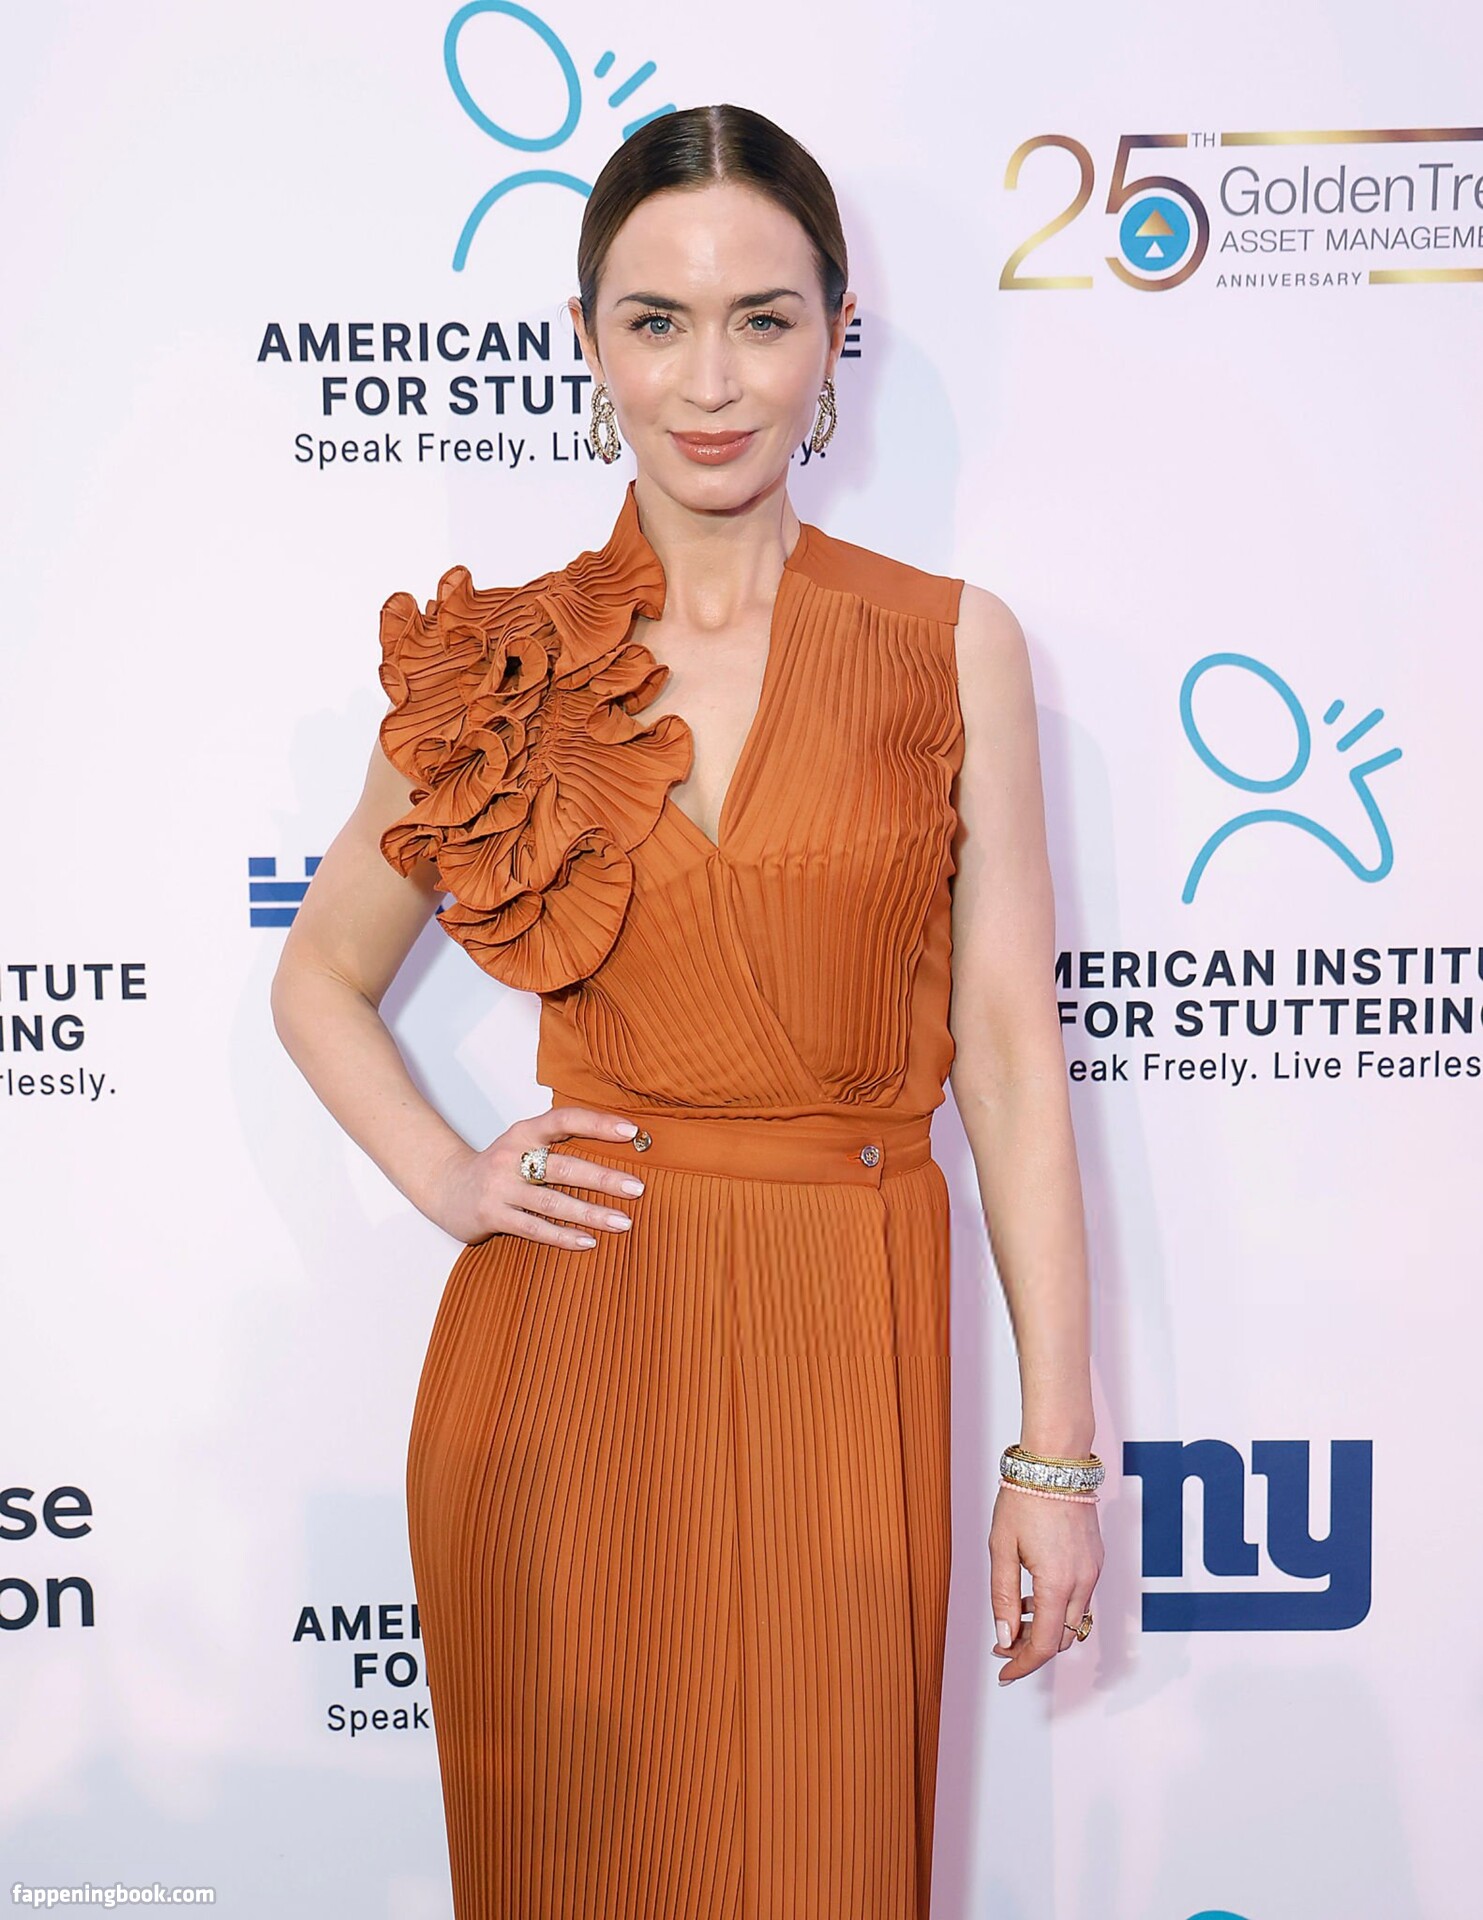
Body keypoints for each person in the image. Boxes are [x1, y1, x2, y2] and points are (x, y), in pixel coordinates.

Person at [272, 101, 1103, 1920]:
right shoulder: (504, 665)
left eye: (761, 319)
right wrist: (448, 1176)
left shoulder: (949, 644)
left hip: (842, 1334)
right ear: (587, 341)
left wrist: (1056, 1455)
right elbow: (317, 973)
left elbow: (1011, 1061)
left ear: (835, 336)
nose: (710, 380)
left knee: (817, 1854)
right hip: (573, 1355)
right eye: (656, 321)